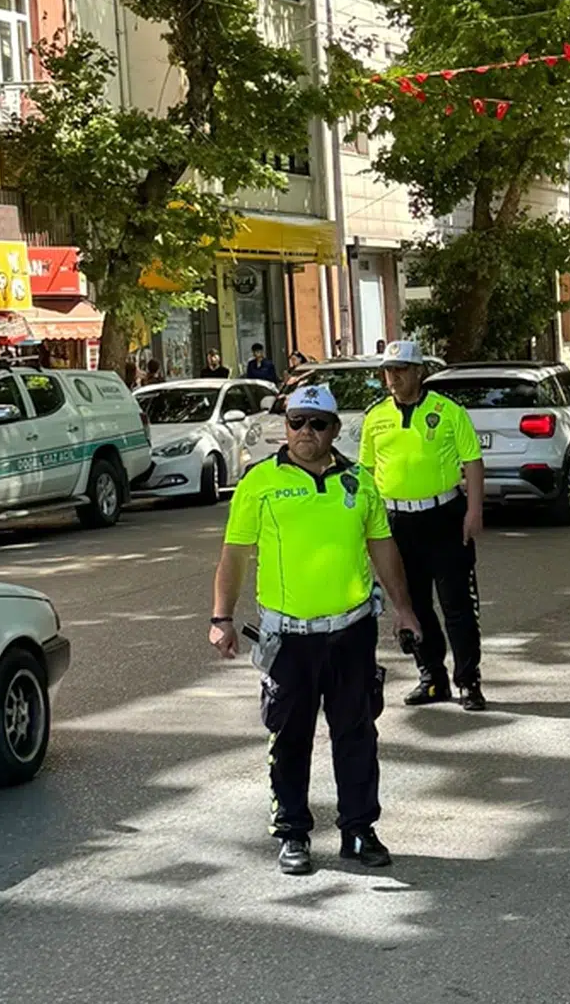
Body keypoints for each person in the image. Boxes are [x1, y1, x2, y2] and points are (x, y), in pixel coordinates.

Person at [209, 383, 421, 876]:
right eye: (296, 421)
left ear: (334, 430)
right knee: (288, 736)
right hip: (288, 637)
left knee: (356, 733)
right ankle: (293, 833)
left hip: (351, 631)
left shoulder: (360, 482)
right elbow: (234, 555)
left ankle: (359, 828)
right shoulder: (259, 483)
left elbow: (383, 548)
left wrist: (404, 609)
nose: (306, 431)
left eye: (317, 423)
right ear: (285, 427)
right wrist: (221, 617)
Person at [359, 339, 489, 711]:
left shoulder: (447, 411)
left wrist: (474, 510)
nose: (393, 377)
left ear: (419, 372)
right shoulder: (376, 417)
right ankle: (432, 676)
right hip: (397, 521)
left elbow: (473, 461)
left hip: (444, 516)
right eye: (388, 370)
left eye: (401, 370)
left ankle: (469, 680)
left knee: (457, 604)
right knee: (412, 603)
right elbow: (367, 472)